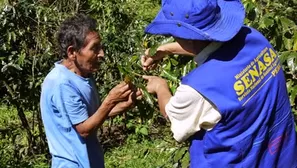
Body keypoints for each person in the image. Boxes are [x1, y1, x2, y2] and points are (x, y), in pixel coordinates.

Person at [141, 0, 297, 167]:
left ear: (186, 37)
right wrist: (166, 49)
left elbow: (174, 118)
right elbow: (211, 46)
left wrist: (160, 87)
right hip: (281, 157)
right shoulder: (254, 38)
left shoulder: (198, 89)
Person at [40, 14, 141, 168]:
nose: (102, 54)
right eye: (94, 48)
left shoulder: (83, 74)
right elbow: (84, 130)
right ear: (72, 52)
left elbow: (92, 115)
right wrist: (111, 100)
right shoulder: (61, 83)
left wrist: (125, 104)